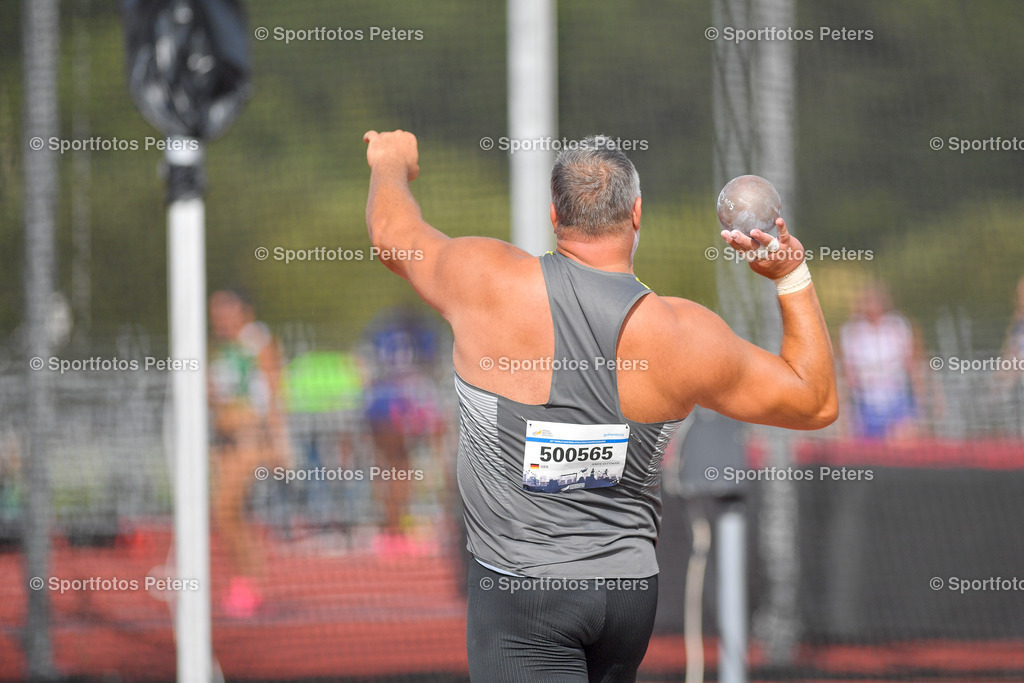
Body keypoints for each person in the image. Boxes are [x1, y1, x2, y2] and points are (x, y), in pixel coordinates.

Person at [363, 130, 837, 682]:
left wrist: (389, 162)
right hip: (627, 597)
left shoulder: (484, 279)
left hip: (522, 596)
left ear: (552, 214)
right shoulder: (683, 334)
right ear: (636, 214)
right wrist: (790, 275)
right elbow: (816, 401)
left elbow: (390, 232)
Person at [208, 288, 290, 618]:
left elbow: (273, 393)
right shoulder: (222, 349)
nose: (218, 320)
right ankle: (246, 582)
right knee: (230, 516)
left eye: (225, 312)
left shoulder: (258, 342)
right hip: (225, 440)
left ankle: (249, 582)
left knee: (226, 509)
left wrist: (279, 443)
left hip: (249, 438)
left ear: (243, 311)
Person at [839, 283, 925, 440]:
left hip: (897, 394)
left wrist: (918, 392)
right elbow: (848, 370)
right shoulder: (852, 330)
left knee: (905, 439)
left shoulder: (897, 324)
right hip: (866, 398)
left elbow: (912, 361)